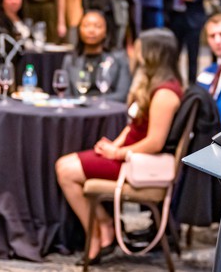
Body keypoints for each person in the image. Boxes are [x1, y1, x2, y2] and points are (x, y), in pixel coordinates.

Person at [55, 28, 183, 265]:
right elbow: (133, 126)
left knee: (65, 170)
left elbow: (155, 142)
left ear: (153, 53)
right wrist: (114, 145)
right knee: (64, 164)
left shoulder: (166, 93)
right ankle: (103, 225)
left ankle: (97, 231)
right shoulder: (153, 83)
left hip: (136, 162)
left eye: (139, 48)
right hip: (127, 155)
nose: (134, 53)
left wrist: (118, 152)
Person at [61, 11, 131, 103]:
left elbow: (122, 95)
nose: (91, 30)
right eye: (86, 26)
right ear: (79, 30)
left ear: (106, 31)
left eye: (97, 26)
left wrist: (93, 102)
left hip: (108, 111)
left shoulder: (119, 59)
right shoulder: (70, 60)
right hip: (78, 112)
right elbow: (65, 95)